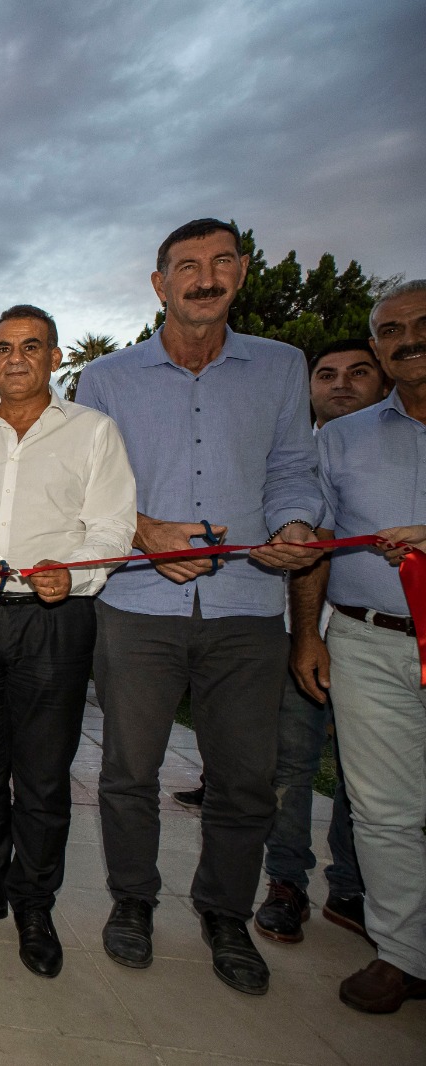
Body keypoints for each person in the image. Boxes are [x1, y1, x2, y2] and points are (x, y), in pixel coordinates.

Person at [76, 219, 326, 996]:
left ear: (241, 273)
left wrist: (294, 523)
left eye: (221, 262)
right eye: (188, 266)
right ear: (161, 284)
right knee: (127, 770)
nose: (205, 278)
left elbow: (292, 467)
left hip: (247, 604)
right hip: (138, 603)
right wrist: (146, 531)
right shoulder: (108, 378)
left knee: (245, 777)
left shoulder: (281, 369)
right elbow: (91, 491)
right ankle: (133, 900)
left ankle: (223, 910)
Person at [0, 307, 136, 978]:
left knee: (43, 775)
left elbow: (112, 526)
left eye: (30, 347)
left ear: (54, 357)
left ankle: (33, 902)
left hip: (54, 621)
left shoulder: (93, 432)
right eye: (3, 348)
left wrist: (71, 573)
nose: (15, 358)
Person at [293, 280, 426, 1013]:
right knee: (383, 809)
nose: (409, 338)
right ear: (379, 345)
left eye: (421, 324)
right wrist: (310, 635)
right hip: (369, 640)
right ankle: (403, 954)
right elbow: (315, 540)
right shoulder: (340, 438)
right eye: (392, 329)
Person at [253, 339, 387, 945]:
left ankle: (353, 886)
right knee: (292, 767)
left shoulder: (392, 454)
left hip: (375, 636)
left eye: (358, 373)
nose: (340, 385)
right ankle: (286, 884)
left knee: (368, 773)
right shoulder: (289, 460)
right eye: (326, 375)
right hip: (297, 633)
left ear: (382, 382)